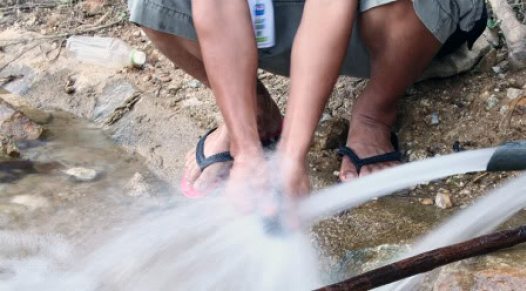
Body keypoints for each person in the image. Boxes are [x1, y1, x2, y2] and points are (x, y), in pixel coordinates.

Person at [128, 0, 486, 210]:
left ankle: (375, 112)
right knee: (153, 5)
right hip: (285, 16)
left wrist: (291, 156)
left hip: (399, 16)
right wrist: (248, 150)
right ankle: (254, 113)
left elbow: (329, 7)